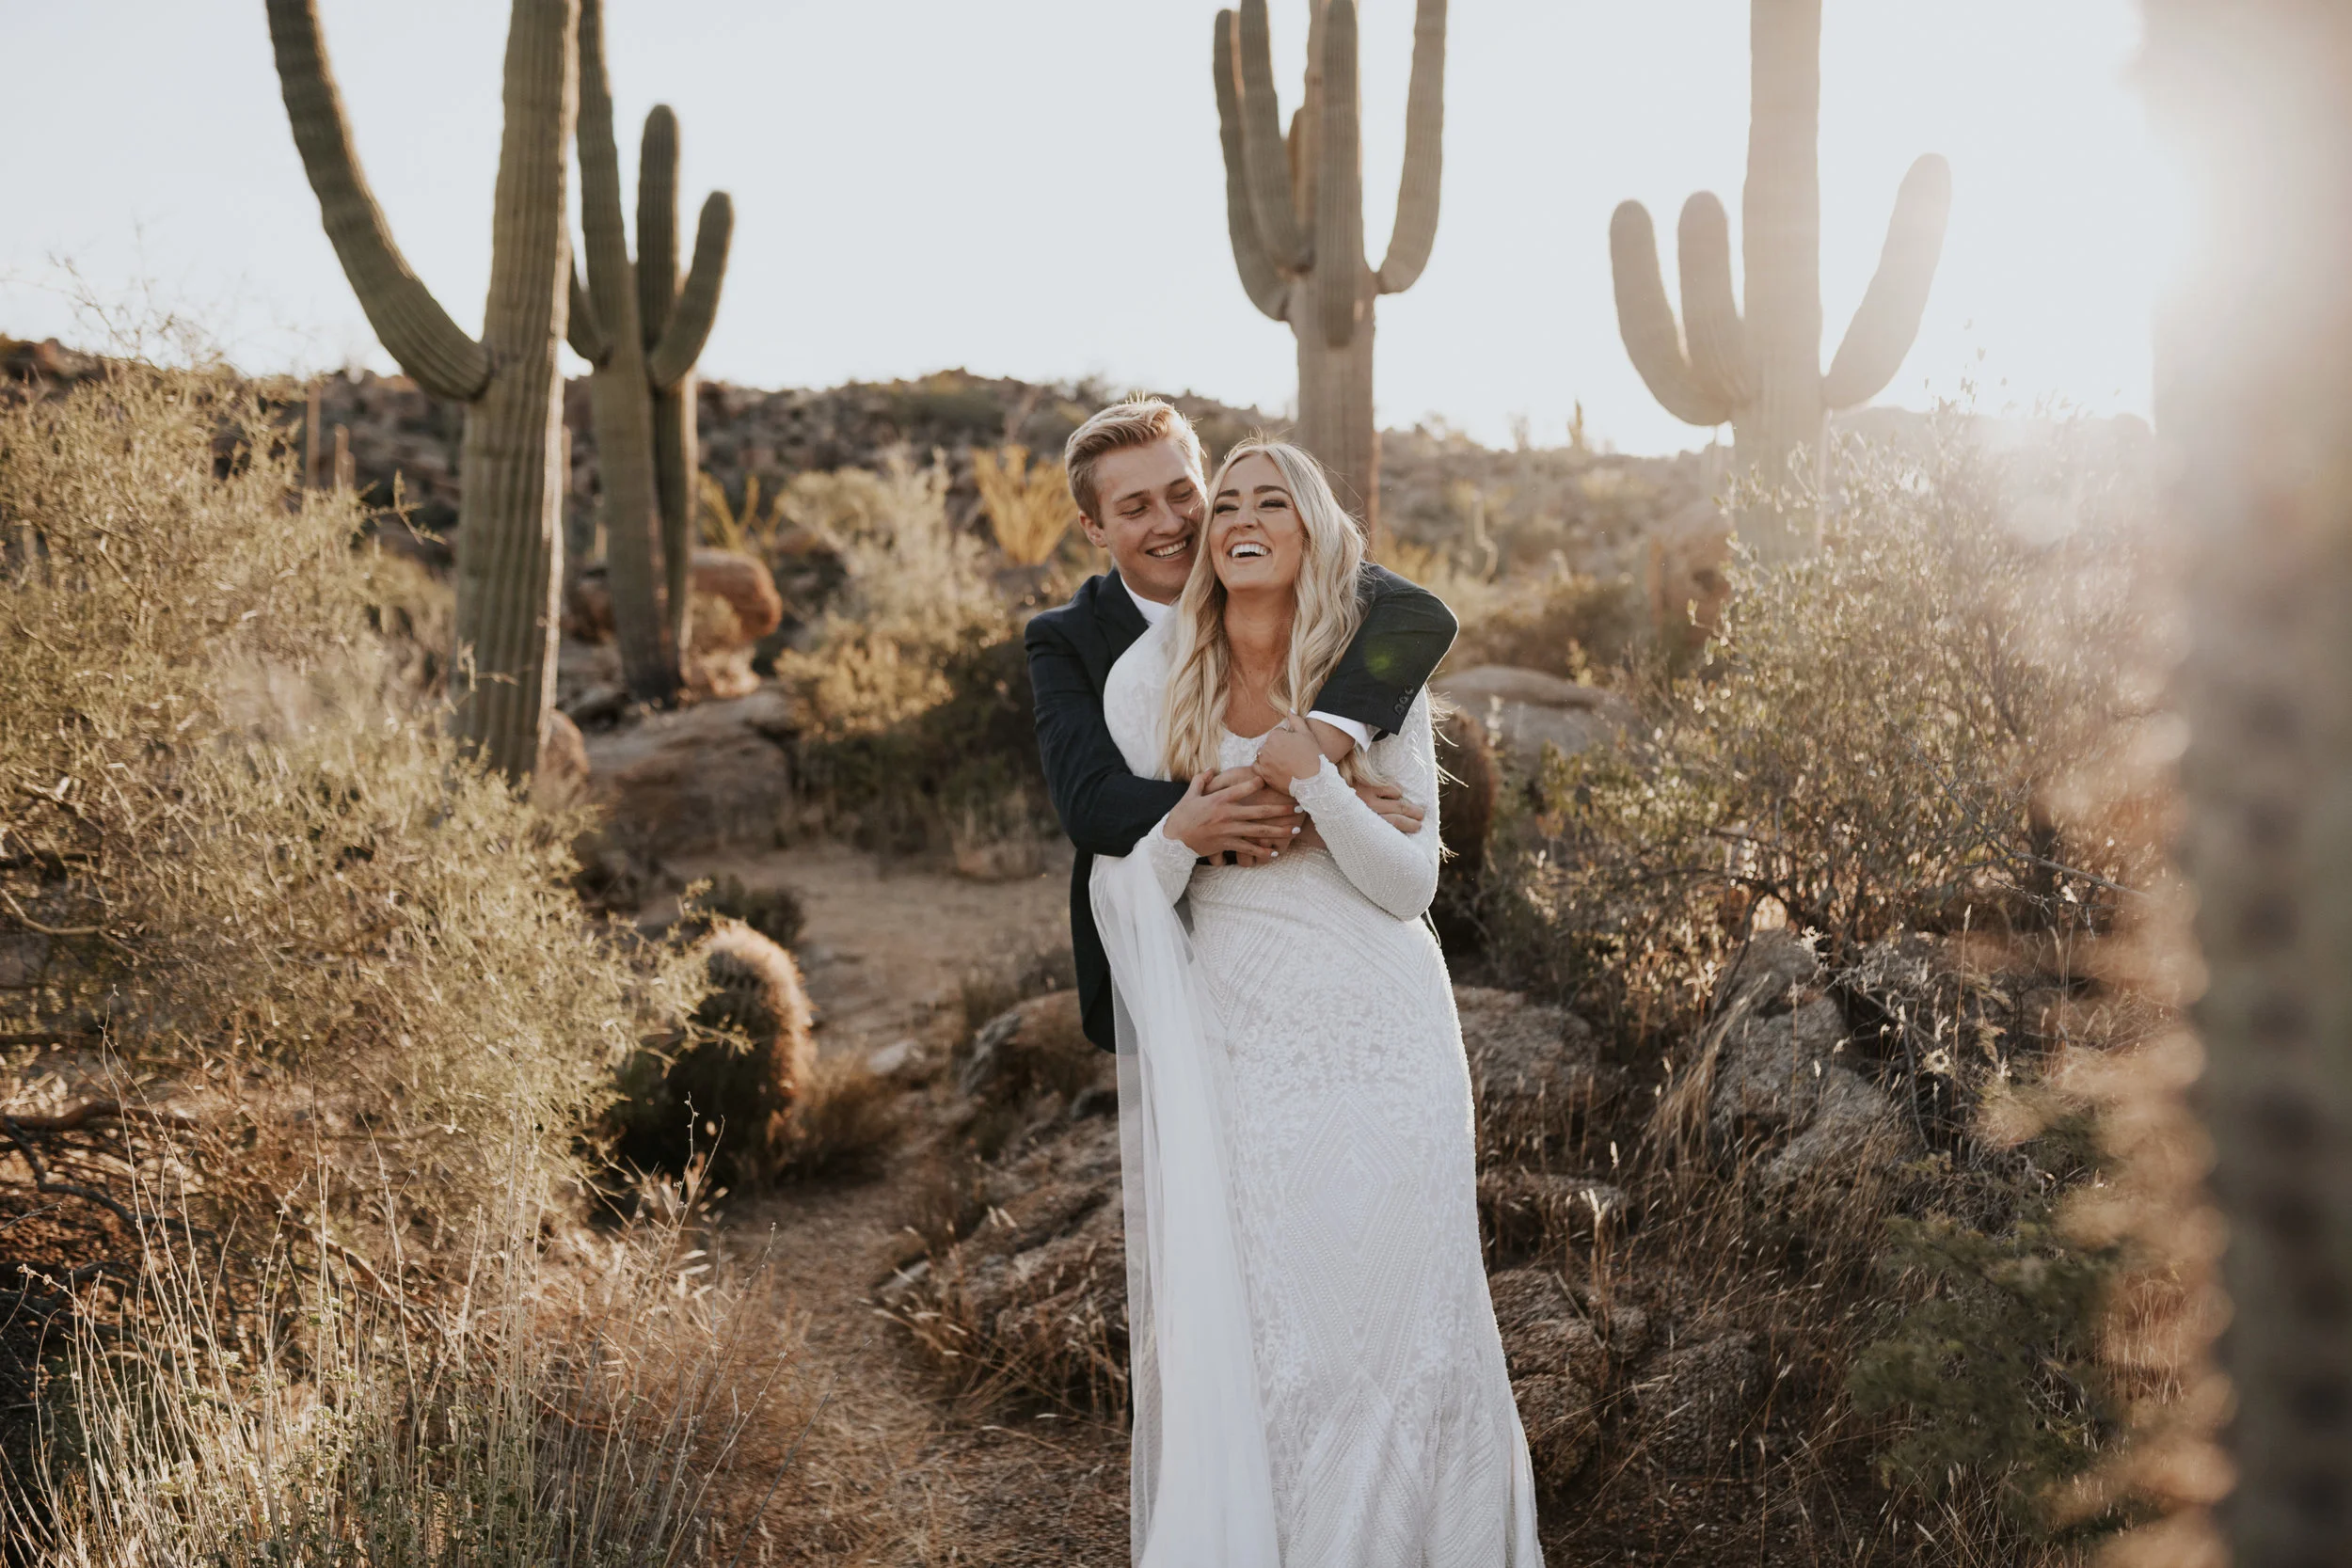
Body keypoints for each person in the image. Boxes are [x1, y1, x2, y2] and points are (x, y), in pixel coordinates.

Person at [1088, 434, 1544, 1566]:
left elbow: (1409, 885)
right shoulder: (1150, 687)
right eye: (1226, 499)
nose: (1244, 515)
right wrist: (1185, 832)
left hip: (1389, 1039)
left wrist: (1317, 778)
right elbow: (1124, 878)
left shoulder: (1372, 672)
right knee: (1295, 1345)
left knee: (1412, 1334)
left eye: (1272, 499)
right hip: (1251, 1052)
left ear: (1312, 528)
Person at [1026, 398, 1455, 1058]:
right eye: (1136, 508)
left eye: (1183, 495)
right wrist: (1303, 809)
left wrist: (1321, 746)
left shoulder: (1305, 587)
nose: (1171, 524)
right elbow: (1091, 804)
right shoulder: (1067, 639)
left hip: (1341, 960)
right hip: (1164, 947)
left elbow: (1419, 611)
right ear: (1094, 527)